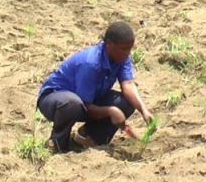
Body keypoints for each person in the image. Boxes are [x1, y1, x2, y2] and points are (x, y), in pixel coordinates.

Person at [37, 21, 153, 153]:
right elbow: (85, 107)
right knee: (72, 104)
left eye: (129, 49)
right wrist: (111, 111)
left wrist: (144, 110)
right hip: (56, 100)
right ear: (109, 44)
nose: (127, 53)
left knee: (126, 103)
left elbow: (128, 85)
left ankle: (87, 138)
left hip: (86, 100)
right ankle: (57, 144)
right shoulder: (91, 64)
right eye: (123, 49)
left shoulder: (121, 57)